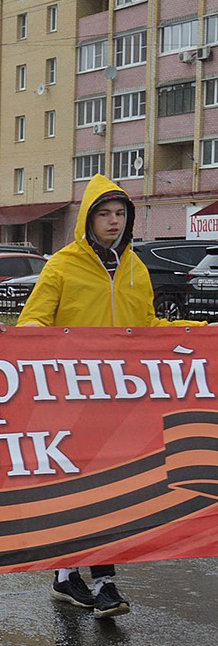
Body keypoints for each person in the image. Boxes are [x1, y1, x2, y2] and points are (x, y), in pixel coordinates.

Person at [18, 174, 206, 617]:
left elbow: (149, 326)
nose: (113, 221)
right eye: (104, 213)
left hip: (120, 399)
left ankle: (90, 579)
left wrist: (202, 333)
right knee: (77, 490)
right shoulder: (62, 266)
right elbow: (35, 322)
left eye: (120, 213)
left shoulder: (135, 267)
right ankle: (80, 577)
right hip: (70, 395)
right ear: (87, 218)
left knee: (110, 491)